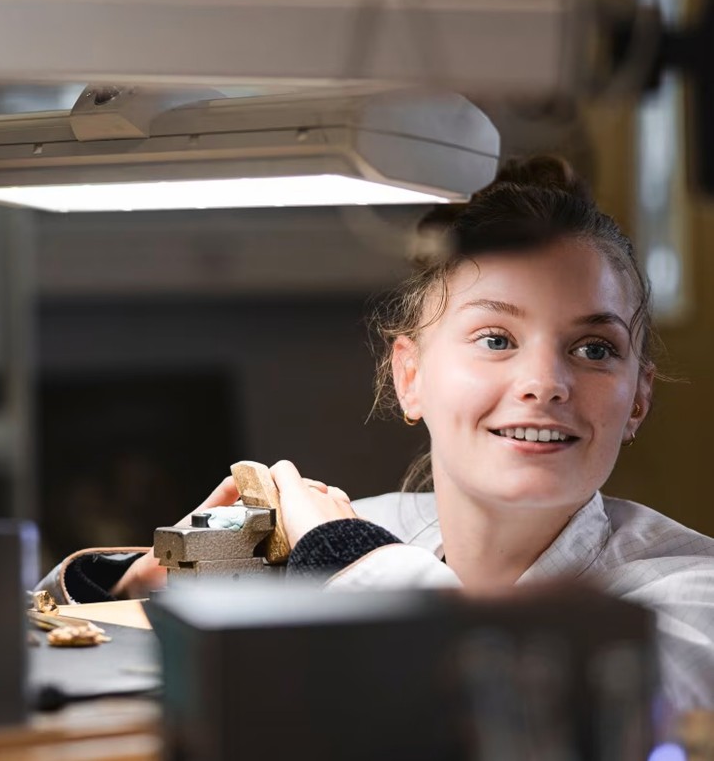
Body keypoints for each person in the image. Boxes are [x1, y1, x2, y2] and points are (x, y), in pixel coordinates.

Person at [37, 156, 714, 712]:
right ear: (409, 377)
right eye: (496, 338)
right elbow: (52, 634)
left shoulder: (690, 593)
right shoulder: (362, 530)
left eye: (595, 349)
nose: (546, 382)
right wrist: (152, 575)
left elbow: (531, 719)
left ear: (637, 400)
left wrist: (340, 553)